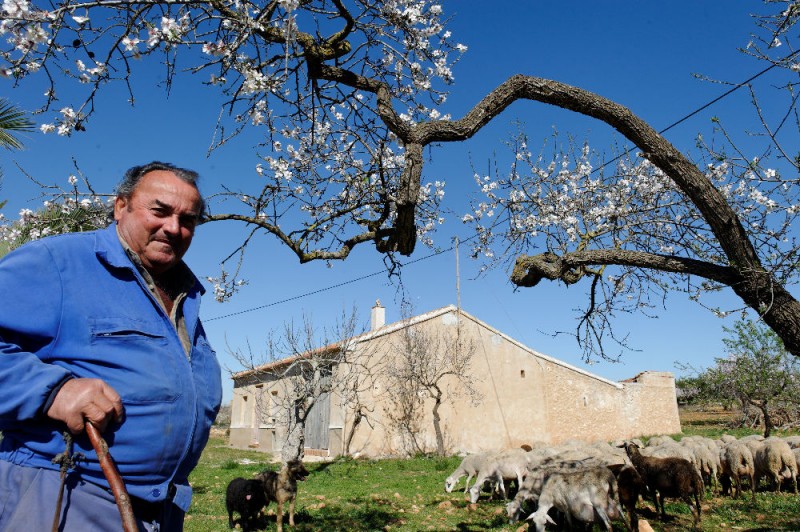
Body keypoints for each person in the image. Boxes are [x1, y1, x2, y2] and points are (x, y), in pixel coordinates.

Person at [0, 162, 223, 531]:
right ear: (121, 206)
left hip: (160, 513)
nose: (174, 227)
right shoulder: (59, 262)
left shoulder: (185, 296)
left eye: (188, 220)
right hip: (63, 497)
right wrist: (53, 391)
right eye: (160, 211)